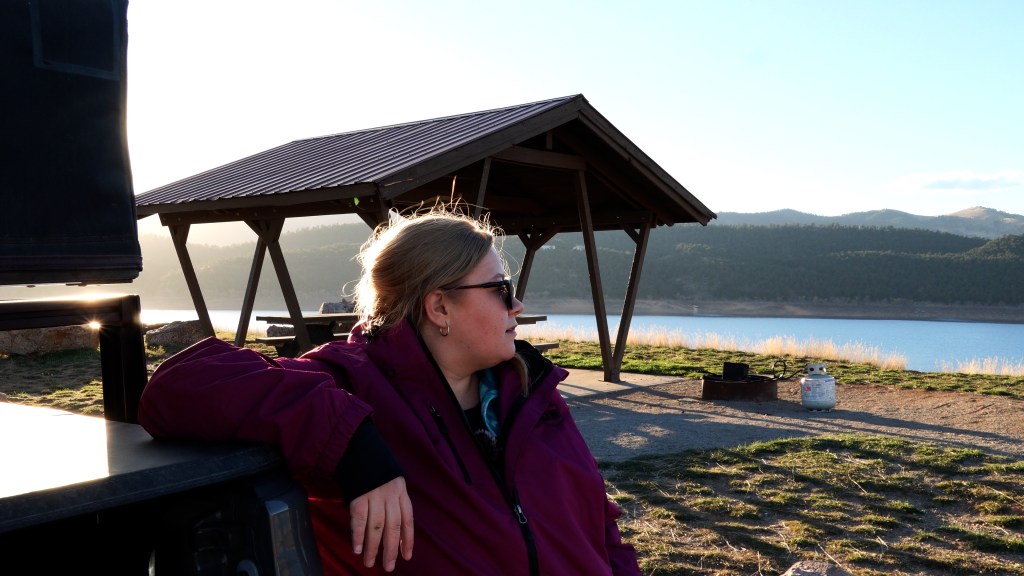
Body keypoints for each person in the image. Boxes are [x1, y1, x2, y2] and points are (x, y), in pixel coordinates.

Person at [138, 206, 641, 575]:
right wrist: (355, 446)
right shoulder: (353, 382)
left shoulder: (533, 393)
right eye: (500, 288)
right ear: (439, 308)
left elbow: (601, 527)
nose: (518, 305)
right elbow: (177, 386)